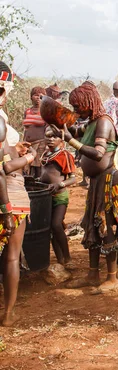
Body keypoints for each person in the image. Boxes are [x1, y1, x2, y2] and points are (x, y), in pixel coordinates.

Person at [50, 83, 118, 294]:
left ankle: (112, 278)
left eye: (78, 107)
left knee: (106, 227)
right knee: (93, 227)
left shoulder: (104, 122)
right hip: (97, 183)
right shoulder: (93, 122)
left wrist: (70, 141)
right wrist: (62, 125)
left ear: (89, 103)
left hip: (109, 182)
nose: (77, 111)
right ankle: (93, 274)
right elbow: (77, 129)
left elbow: (98, 154)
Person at [0, 60, 38, 326]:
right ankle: (9, 313)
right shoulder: (0, 119)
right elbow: (2, 168)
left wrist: (16, 149)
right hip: (9, 195)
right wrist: (29, 158)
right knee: (12, 255)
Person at [40, 127, 77, 267]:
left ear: (62, 140)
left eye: (54, 137)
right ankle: (60, 259)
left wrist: (59, 184)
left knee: (56, 224)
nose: (50, 139)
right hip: (45, 197)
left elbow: (73, 179)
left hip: (59, 196)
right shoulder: (45, 154)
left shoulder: (65, 155)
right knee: (51, 227)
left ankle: (68, 258)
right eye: (48, 136)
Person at [22, 86, 48, 178]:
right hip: (28, 143)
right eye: (35, 95)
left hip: (40, 143)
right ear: (31, 97)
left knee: (38, 166)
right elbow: (26, 129)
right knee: (26, 165)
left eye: (41, 95)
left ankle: (38, 185)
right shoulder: (27, 111)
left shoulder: (45, 111)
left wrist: (47, 144)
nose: (38, 97)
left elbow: (48, 129)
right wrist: (23, 142)